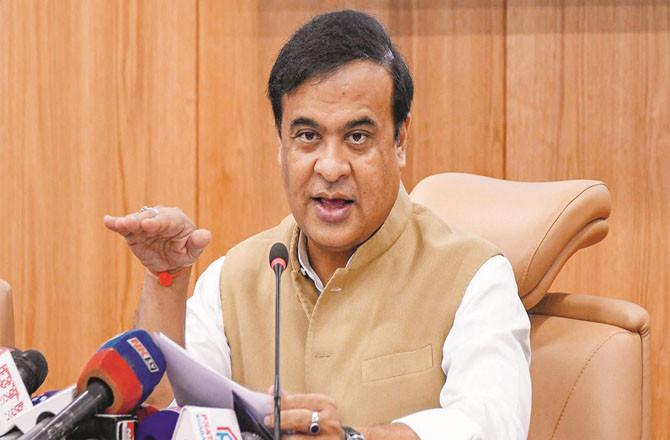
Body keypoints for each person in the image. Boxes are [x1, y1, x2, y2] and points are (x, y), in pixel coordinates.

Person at [104, 10, 531, 440]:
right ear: (281, 144)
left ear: (400, 139)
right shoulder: (234, 280)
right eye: (308, 136)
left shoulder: (475, 277)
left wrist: (354, 438)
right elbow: (165, 417)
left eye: (357, 137)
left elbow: (489, 423)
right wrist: (165, 281)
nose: (330, 167)